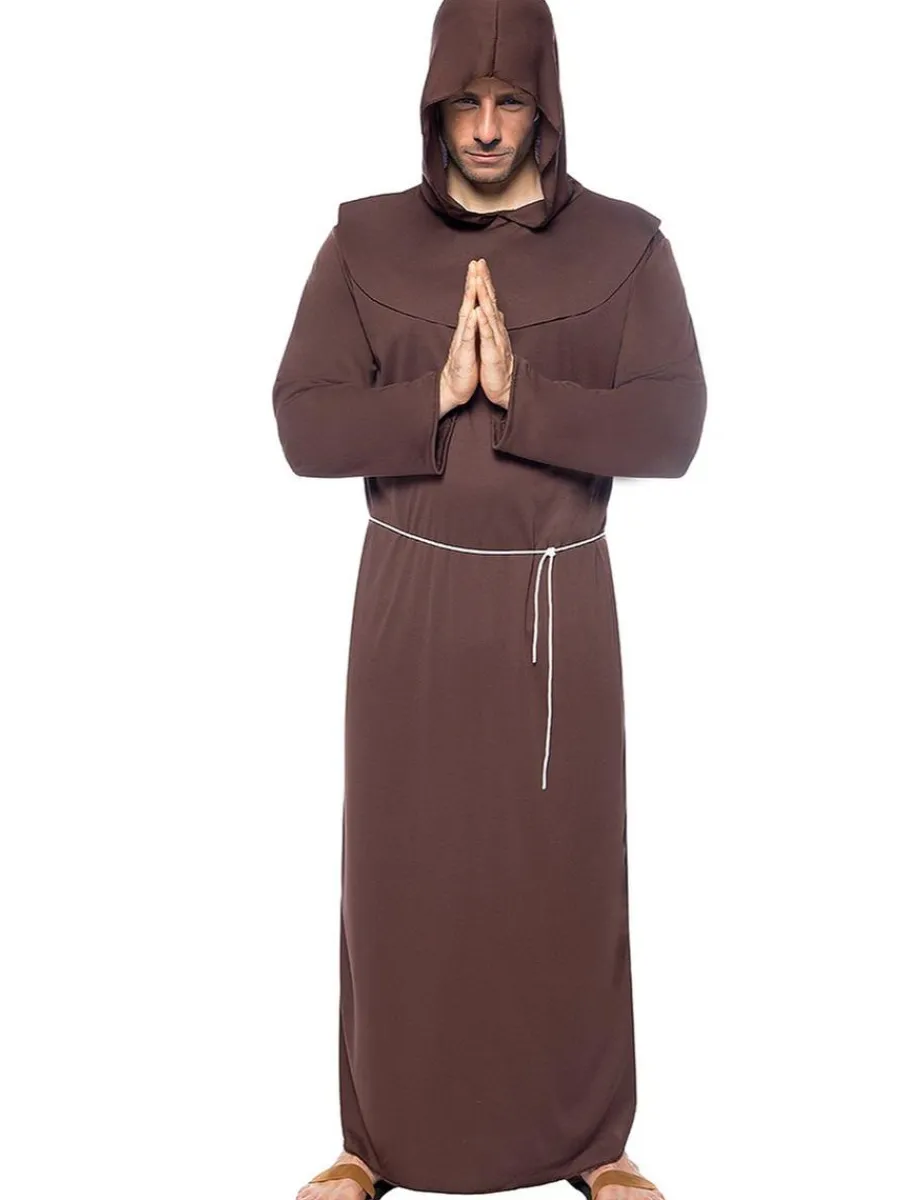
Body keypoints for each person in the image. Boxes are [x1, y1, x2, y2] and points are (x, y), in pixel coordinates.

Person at [271, 1, 706, 1198]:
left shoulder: (627, 248)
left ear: (546, 106)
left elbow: (674, 426)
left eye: (510, 102)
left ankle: (592, 1143)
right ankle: (373, 1144)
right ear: (433, 105)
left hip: (558, 607)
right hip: (408, 600)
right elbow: (303, 423)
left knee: (566, 875)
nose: (485, 127)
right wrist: (434, 394)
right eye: (464, 102)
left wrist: (524, 398)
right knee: (398, 871)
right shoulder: (362, 243)